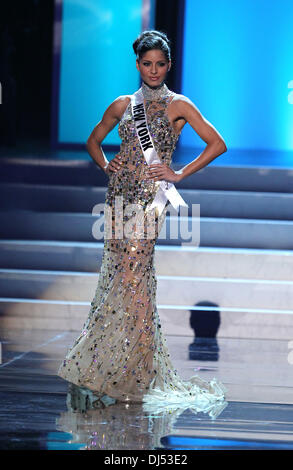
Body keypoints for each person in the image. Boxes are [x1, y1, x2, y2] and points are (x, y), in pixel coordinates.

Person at [57, 30, 228, 414]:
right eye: (147, 64)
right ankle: (113, 369)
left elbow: (218, 143)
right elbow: (93, 140)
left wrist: (179, 173)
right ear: (137, 65)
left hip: (150, 203)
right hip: (118, 198)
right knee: (117, 278)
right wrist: (105, 163)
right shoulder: (122, 104)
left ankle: (134, 373)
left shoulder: (179, 104)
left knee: (136, 278)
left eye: (160, 64)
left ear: (168, 66)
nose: (153, 70)